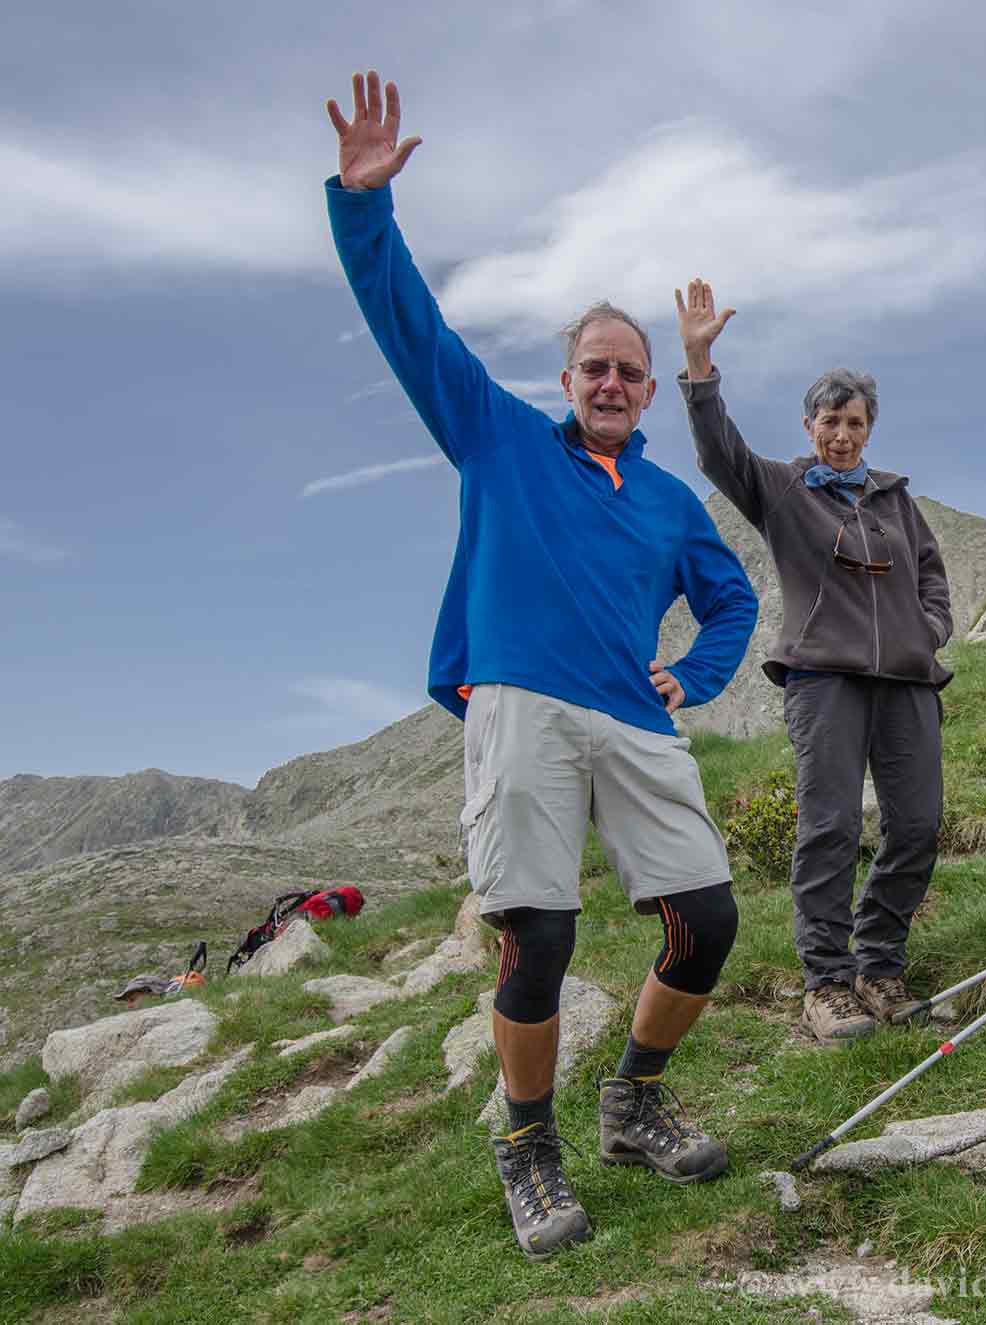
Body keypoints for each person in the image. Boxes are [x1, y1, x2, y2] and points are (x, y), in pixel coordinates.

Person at [323, 73, 759, 1260]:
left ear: (647, 388)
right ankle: (527, 1142)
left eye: (629, 369)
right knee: (539, 937)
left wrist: (697, 671)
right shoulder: (499, 437)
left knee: (706, 920)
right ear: (566, 380)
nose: (611, 381)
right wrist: (365, 210)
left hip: (631, 714)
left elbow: (729, 598)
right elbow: (411, 327)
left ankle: (632, 1100)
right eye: (593, 367)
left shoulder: (669, 499)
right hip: (517, 702)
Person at [674, 279, 953, 1045]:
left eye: (855, 422)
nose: (842, 434)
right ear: (810, 424)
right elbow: (716, 451)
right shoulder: (783, 488)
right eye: (830, 420)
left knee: (918, 823)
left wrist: (927, 630)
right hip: (822, 680)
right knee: (829, 825)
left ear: (869, 429)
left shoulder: (896, 499)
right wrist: (700, 366)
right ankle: (827, 982)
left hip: (906, 681)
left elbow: (930, 570)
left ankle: (880, 964)